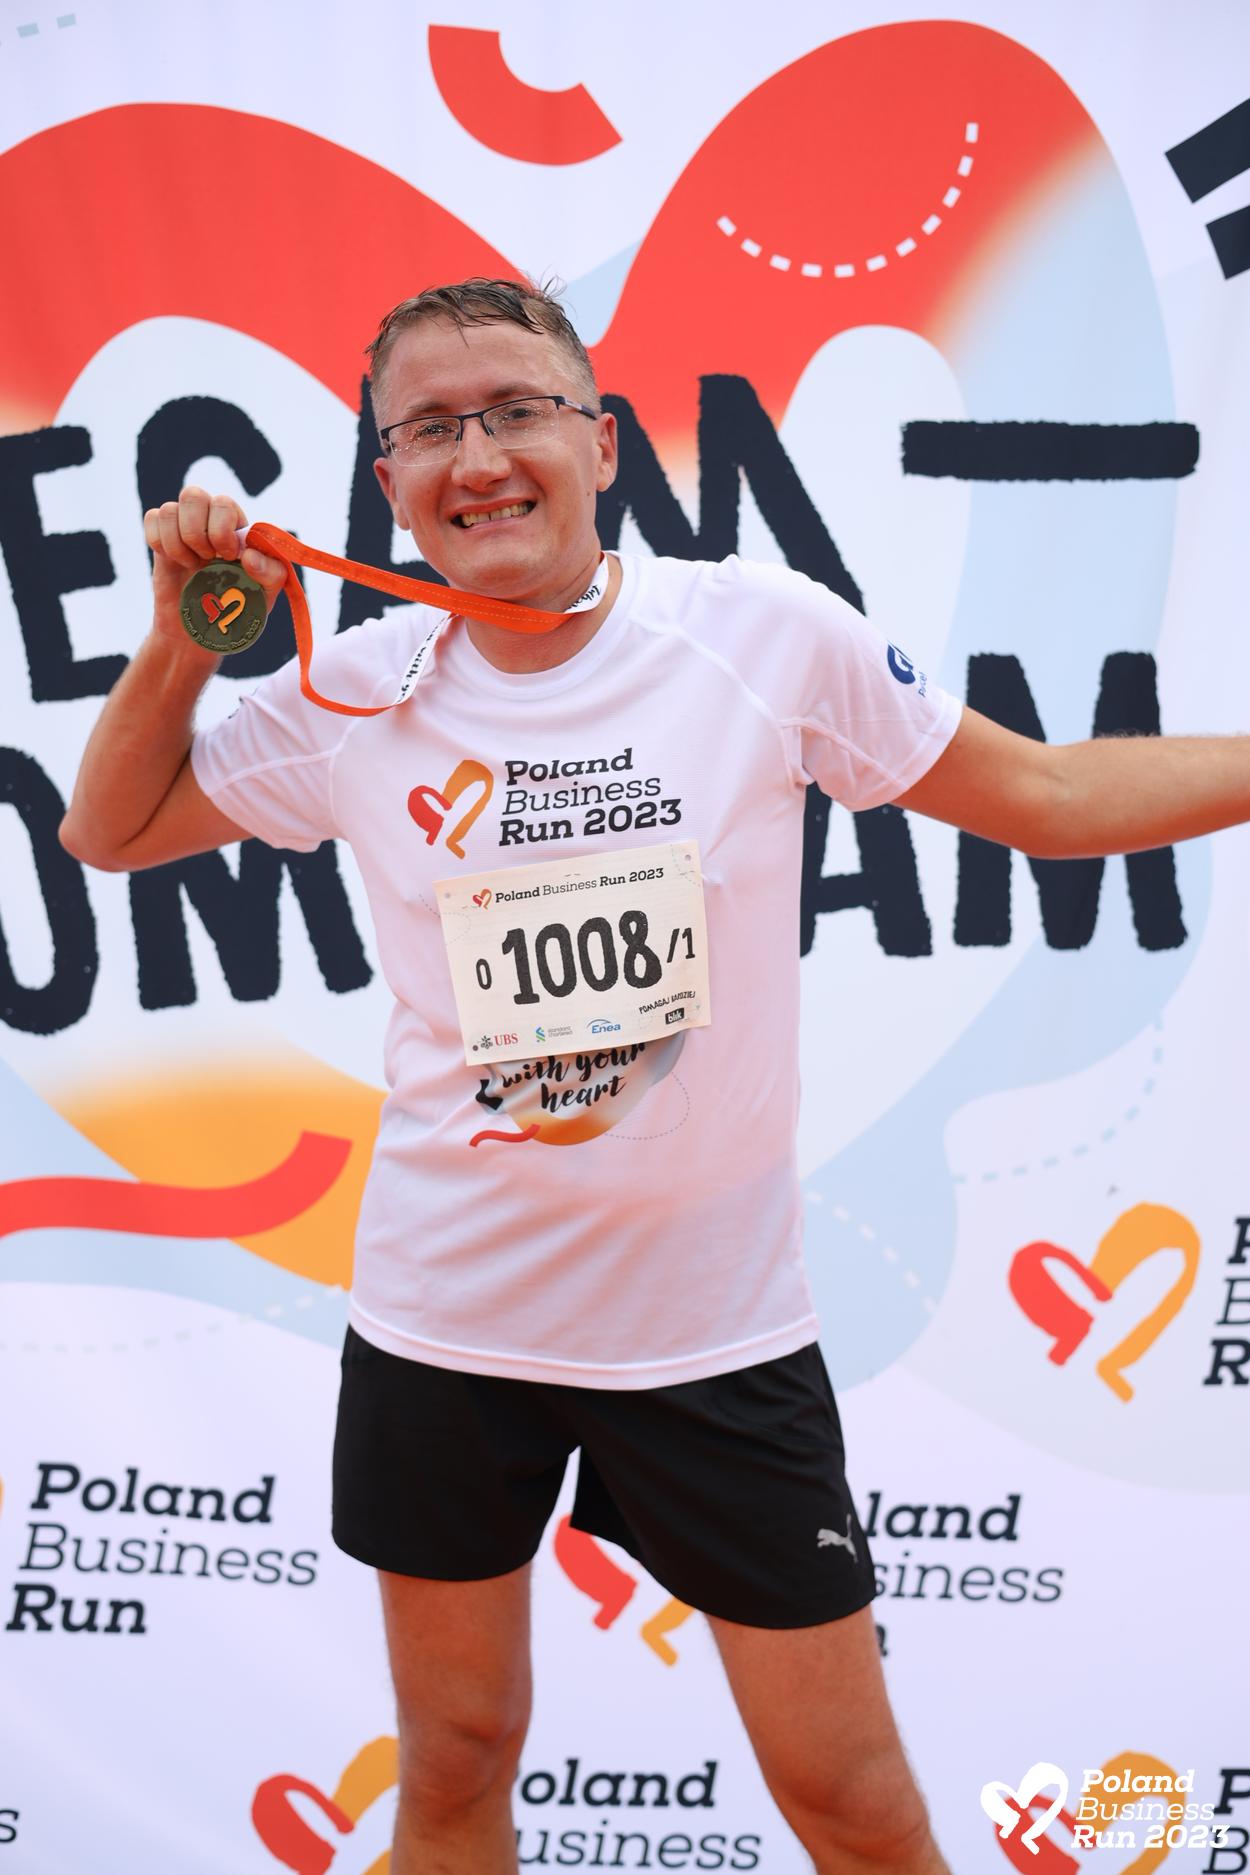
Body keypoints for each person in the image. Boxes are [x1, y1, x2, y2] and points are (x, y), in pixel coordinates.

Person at [59, 278, 1248, 1875]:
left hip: (710, 1333)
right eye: (428, 430)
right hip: (447, 1325)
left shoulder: (760, 637)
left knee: (851, 1800)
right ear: (388, 481)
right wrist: (179, 635)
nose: (477, 456)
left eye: (516, 410)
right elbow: (109, 831)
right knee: (456, 1761)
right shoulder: (356, 685)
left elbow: (1043, 794)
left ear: (601, 443)